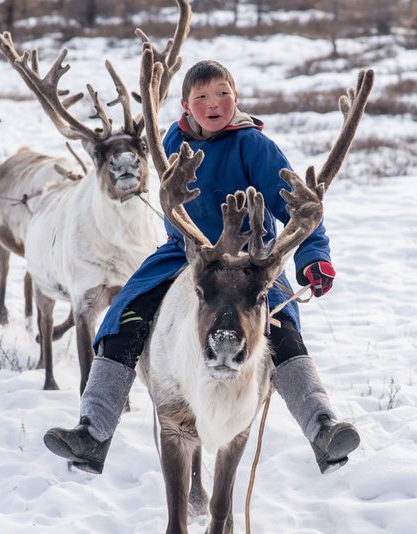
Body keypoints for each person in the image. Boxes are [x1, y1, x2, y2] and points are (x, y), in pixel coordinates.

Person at [43, 60, 360, 476]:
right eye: (203, 98)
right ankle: (93, 432)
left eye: (223, 95)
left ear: (236, 98)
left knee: (281, 330)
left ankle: (322, 428)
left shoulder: (255, 146)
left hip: (252, 259)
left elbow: (301, 207)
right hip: (185, 253)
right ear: (185, 105)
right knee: (126, 315)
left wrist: (313, 257)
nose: (214, 104)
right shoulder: (171, 138)